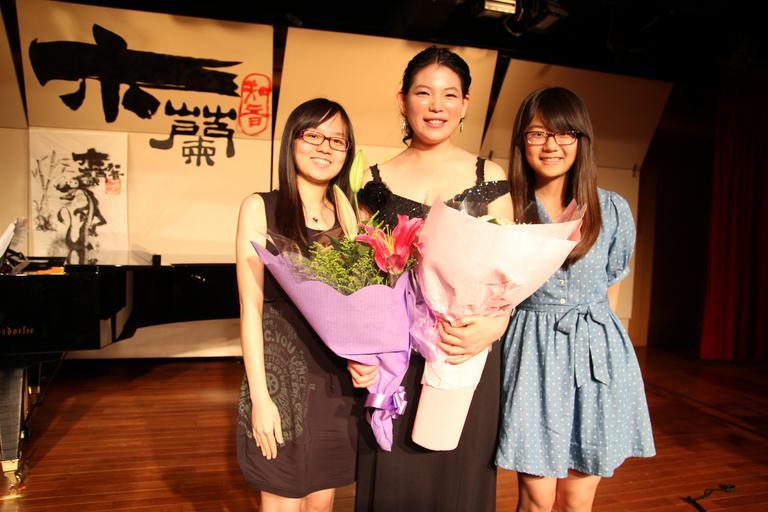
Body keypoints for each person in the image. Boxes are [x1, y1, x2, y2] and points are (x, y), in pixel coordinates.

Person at [351, 46, 514, 512]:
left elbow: (510, 272)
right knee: (393, 477)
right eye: (423, 93)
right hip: (395, 356)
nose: (436, 105)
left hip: (463, 347)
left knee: (457, 480)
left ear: (465, 104)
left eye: (449, 95)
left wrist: (496, 324)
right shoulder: (373, 179)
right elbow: (358, 276)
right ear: (402, 100)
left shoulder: (489, 175)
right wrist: (360, 350)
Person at [495, 86, 656, 512]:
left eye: (564, 133)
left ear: (582, 139)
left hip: (595, 355)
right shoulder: (507, 208)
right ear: (521, 141)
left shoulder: (612, 209)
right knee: (536, 497)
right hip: (532, 354)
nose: (551, 145)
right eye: (537, 133)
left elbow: (612, 285)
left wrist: (606, 344)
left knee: (578, 498)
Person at [235, 98, 360, 512]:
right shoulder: (261, 207)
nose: (325, 147)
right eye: (313, 135)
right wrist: (260, 397)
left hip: (335, 381)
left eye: (337, 140)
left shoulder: (348, 213)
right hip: (281, 381)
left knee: (321, 502)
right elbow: (250, 307)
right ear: (292, 140)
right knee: (283, 500)